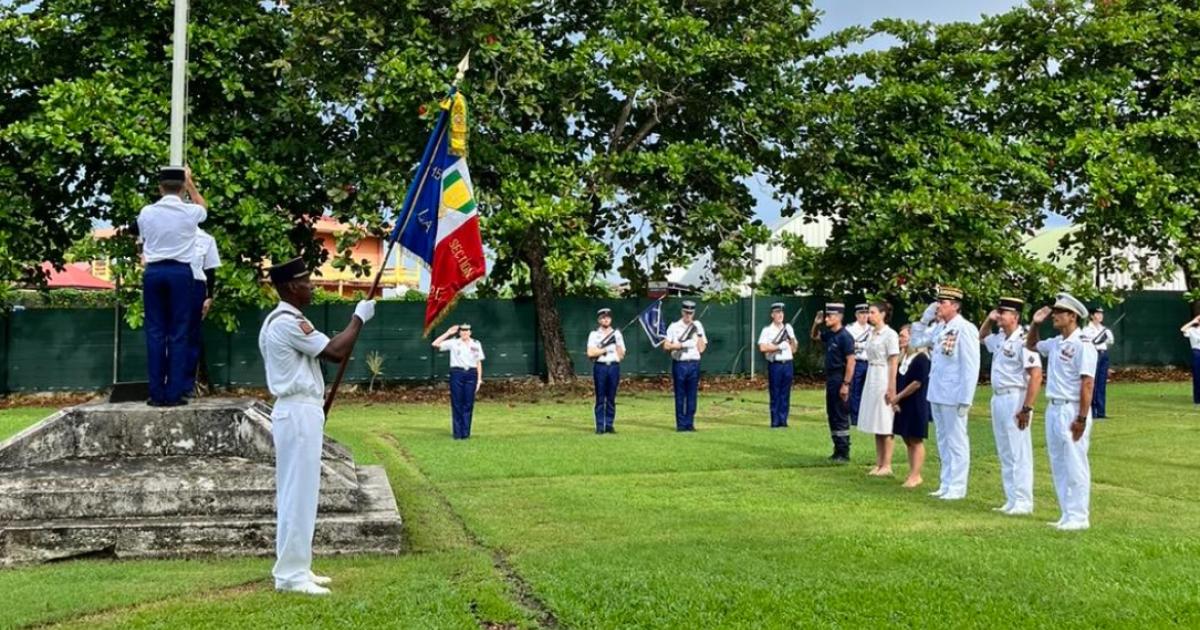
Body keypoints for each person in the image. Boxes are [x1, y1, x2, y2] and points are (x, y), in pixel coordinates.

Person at [258, 256, 375, 595]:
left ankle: (298, 568)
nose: (312, 285)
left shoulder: (289, 319)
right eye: (307, 281)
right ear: (292, 287)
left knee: (303, 494)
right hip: (296, 412)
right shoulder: (285, 322)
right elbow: (336, 351)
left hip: (300, 411)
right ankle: (291, 576)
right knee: (297, 494)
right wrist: (358, 318)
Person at [1027, 293, 1097, 531]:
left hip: (1072, 408)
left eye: (1059, 312)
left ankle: (1079, 516)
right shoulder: (1056, 342)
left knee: (1075, 462)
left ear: (1072, 316)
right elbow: (1032, 345)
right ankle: (1066, 513)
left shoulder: (1083, 344)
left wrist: (1082, 418)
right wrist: (1035, 324)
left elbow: (1087, 383)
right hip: (1054, 407)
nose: (1054, 316)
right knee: (1058, 463)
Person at [138, 166, 207, 407]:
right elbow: (203, 206)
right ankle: (175, 392)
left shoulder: (146, 212)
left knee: (155, 332)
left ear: (160, 187)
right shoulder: (190, 212)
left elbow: (144, 240)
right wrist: (191, 183)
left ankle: (156, 393)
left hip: (154, 271)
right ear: (181, 188)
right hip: (180, 272)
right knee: (179, 332)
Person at [910, 286, 981, 501]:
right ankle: (946, 482)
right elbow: (916, 342)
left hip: (954, 393)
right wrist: (923, 320)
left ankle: (957, 486)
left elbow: (970, 365)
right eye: (938, 301)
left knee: (956, 440)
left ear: (955, 306)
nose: (939, 306)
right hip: (937, 391)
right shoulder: (940, 327)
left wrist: (966, 398)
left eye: (943, 302)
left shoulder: (965, 328)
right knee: (943, 439)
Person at [979, 297, 1043, 516]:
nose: (999, 316)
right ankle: (1011, 498)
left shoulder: (1024, 340)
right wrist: (988, 319)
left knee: (1019, 451)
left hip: (1016, 397)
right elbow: (982, 336)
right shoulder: (1000, 338)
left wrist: (1027, 407)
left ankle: (1024, 501)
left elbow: (1036, 375)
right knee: (1005, 451)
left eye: (1002, 313)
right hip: (998, 398)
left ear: (1015, 317)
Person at [857, 302, 900, 476]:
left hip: (883, 374)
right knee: (876, 420)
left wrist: (891, 387)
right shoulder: (871, 333)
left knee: (885, 419)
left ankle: (887, 464)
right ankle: (879, 462)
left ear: (882, 314)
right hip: (872, 374)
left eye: (873, 312)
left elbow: (893, 361)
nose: (869, 315)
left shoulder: (890, 334)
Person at [811, 303, 856, 463]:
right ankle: (837, 450)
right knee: (832, 414)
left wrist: (846, 384)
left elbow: (851, 362)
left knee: (840, 414)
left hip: (840, 377)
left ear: (838, 317)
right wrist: (816, 323)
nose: (827, 319)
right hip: (831, 378)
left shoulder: (845, 337)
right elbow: (815, 336)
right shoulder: (831, 335)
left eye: (830, 316)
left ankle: (844, 452)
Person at [183, 227, 221, 397]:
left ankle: (187, 385)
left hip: (195, 284)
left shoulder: (205, 238)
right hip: (173, 283)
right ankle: (168, 382)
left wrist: (209, 296)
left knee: (192, 336)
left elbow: (210, 269)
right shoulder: (171, 231)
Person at [892, 325, 931, 488]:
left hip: (916, 403)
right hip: (903, 403)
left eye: (903, 336)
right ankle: (912, 472)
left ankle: (916, 475)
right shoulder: (904, 358)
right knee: (907, 438)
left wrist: (898, 397)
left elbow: (917, 383)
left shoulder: (922, 358)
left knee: (916, 438)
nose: (900, 339)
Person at [432, 324, 485, 439]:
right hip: (457, 373)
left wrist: (479, 380)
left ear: (470, 332)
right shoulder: (454, 343)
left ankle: (465, 434)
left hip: (471, 373)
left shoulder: (475, 344)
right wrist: (448, 333)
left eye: (467, 331)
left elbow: (478, 362)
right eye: (462, 331)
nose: (465, 333)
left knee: (468, 404)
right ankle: (457, 433)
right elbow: (435, 344)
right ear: (459, 332)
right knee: (457, 403)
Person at [663, 300, 707, 432]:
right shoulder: (674, 327)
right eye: (686, 312)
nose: (688, 315)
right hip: (680, 363)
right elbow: (666, 345)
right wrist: (679, 345)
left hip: (694, 363)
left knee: (692, 395)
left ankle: (690, 423)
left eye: (691, 313)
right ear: (682, 312)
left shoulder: (698, 326)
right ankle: (681, 424)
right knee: (680, 394)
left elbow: (702, 348)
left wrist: (698, 333)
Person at [757, 302, 798, 428]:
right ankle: (775, 421)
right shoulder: (767, 330)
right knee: (775, 393)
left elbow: (794, 349)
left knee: (786, 393)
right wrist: (777, 346)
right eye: (777, 313)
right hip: (776, 364)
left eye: (781, 312)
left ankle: (783, 420)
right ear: (772, 315)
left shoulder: (788, 328)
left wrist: (792, 339)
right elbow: (762, 347)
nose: (780, 315)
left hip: (788, 363)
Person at [587, 308, 626, 434]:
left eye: (608, 317)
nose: (606, 319)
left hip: (613, 366)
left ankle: (609, 424)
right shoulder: (594, 334)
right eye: (603, 318)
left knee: (611, 398)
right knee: (600, 398)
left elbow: (621, 355)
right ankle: (599, 426)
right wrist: (605, 350)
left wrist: (617, 344)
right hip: (600, 367)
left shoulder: (617, 334)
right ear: (599, 320)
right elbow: (590, 353)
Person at [1081, 307, 1114, 419]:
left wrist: (1104, 338)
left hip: (1103, 355)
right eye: (1098, 313)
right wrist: (1098, 340)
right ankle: (1092, 411)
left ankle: (1101, 411)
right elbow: (1088, 343)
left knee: (1101, 384)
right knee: (1092, 383)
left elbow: (1110, 342)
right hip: (1093, 354)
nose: (1100, 316)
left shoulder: (1105, 329)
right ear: (1092, 316)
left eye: (1101, 314)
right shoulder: (1086, 329)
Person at [845, 304, 871, 426]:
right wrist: (862, 345)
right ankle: (855, 417)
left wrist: (859, 345)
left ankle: (865, 416)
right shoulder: (850, 329)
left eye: (867, 313)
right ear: (856, 315)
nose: (865, 316)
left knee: (867, 391)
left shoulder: (872, 329)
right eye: (862, 313)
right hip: (856, 361)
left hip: (869, 362)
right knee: (855, 390)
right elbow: (849, 345)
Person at [1182, 314, 1200, 405]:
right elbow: (1183, 329)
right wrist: (1193, 321)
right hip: (1197, 353)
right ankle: (1197, 400)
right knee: (1197, 377)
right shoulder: (1193, 330)